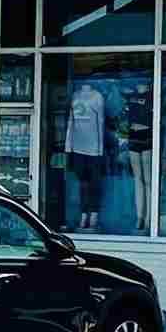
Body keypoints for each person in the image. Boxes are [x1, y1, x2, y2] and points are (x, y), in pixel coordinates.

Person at [65, 73, 107, 231]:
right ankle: (83, 214)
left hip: (94, 147)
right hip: (78, 147)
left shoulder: (97, 96)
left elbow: (101, 121)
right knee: (83, 183)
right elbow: (71, 121)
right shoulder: (75, 95)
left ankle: (94, 214)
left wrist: (100, 147)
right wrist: (68, 146)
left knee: (95, 183)